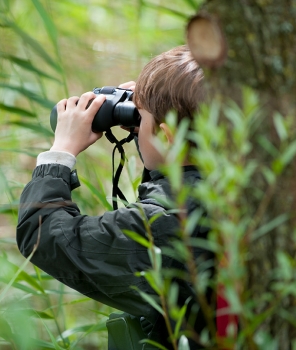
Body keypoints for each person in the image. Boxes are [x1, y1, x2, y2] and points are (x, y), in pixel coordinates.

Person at [16, 45, 212, 349]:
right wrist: (149, 120)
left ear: (167, 137)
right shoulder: (260, 189)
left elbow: (43, 234)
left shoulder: (162, 224)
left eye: (142, 120)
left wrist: (60, 154)